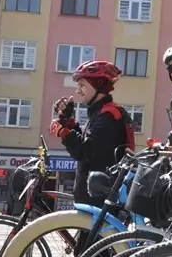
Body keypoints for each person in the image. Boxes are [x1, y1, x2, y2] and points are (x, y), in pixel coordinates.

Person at [50, 60, 135, 206]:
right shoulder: (100, 113)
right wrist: (70, 122)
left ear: (99, 85)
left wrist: (62, 132)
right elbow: (88, 143)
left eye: (82, 85)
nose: (78, 91)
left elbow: (85, 151)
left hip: (99, 202)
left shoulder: (109, 116)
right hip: (92, 199)